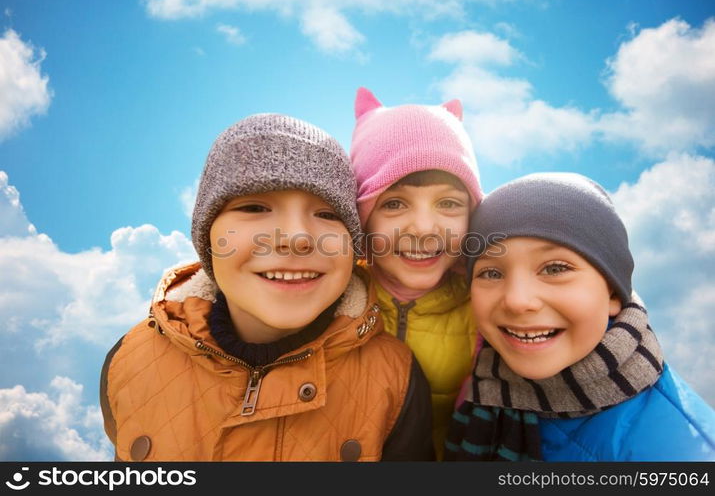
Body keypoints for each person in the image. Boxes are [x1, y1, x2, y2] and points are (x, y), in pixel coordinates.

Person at [100, 114, 434, 461]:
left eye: (327, 214)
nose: (296, 238)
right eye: (254, 207)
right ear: (207, 236)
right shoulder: (130, 360)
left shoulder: (395, 379)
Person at [445, 172, 715, 461]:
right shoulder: (484, 385)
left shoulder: (681, 451)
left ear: (612, 292)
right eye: (491, 273)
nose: (517, 301)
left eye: (554, 269)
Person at [350, 87, 483, 457]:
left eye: (448, 203)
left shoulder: (491, 309)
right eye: (394, 203)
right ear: (362, 218)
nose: (425, 228)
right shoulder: (331, 301)